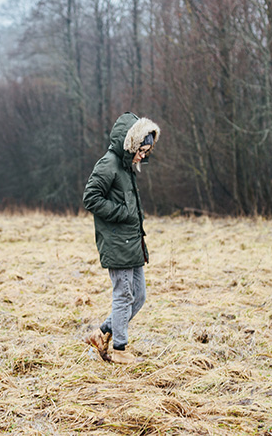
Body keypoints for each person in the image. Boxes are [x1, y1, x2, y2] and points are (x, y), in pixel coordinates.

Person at [83, 112, 161, 364]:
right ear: (131, 144)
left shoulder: (126, 167)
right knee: (124, 295)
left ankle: (102, 332)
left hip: (131, 242)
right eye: (142, 151)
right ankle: (119, 349)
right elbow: (90, 197)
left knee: (139, 296)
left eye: (147, 152)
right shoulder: (108, 164)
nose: (143, 156)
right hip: (117, 243)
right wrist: (122, 213)